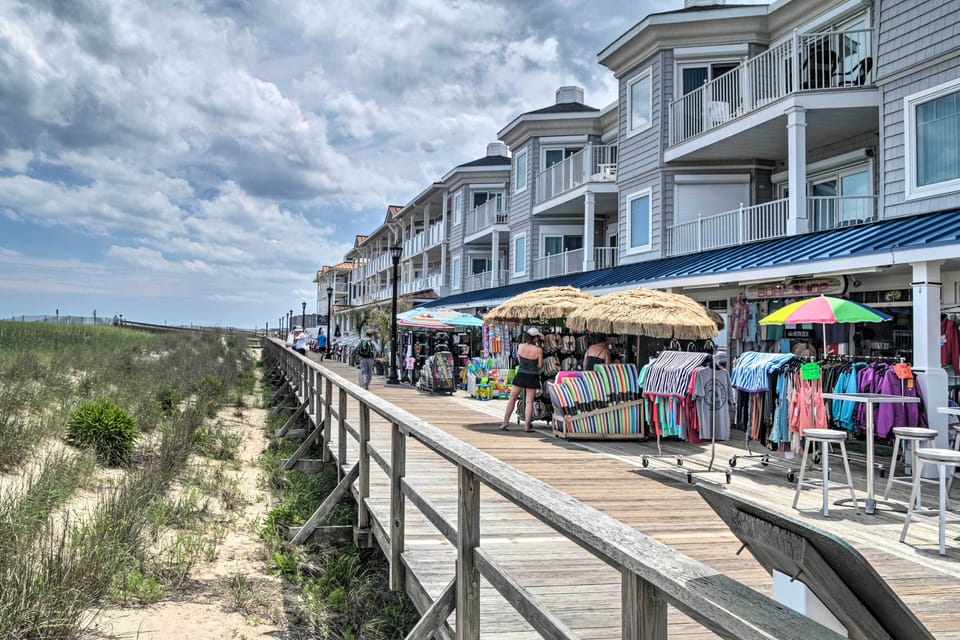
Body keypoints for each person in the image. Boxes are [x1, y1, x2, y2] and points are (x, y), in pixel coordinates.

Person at [500, 327, 543, 433]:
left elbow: (519, 361)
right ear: (535, 338)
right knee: (529, 402)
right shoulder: (538, 350)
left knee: (512, 398)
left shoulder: (520, 346)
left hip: (521, 374)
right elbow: (540, 365)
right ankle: (527, 426)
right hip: (532, 376)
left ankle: (505, 422)